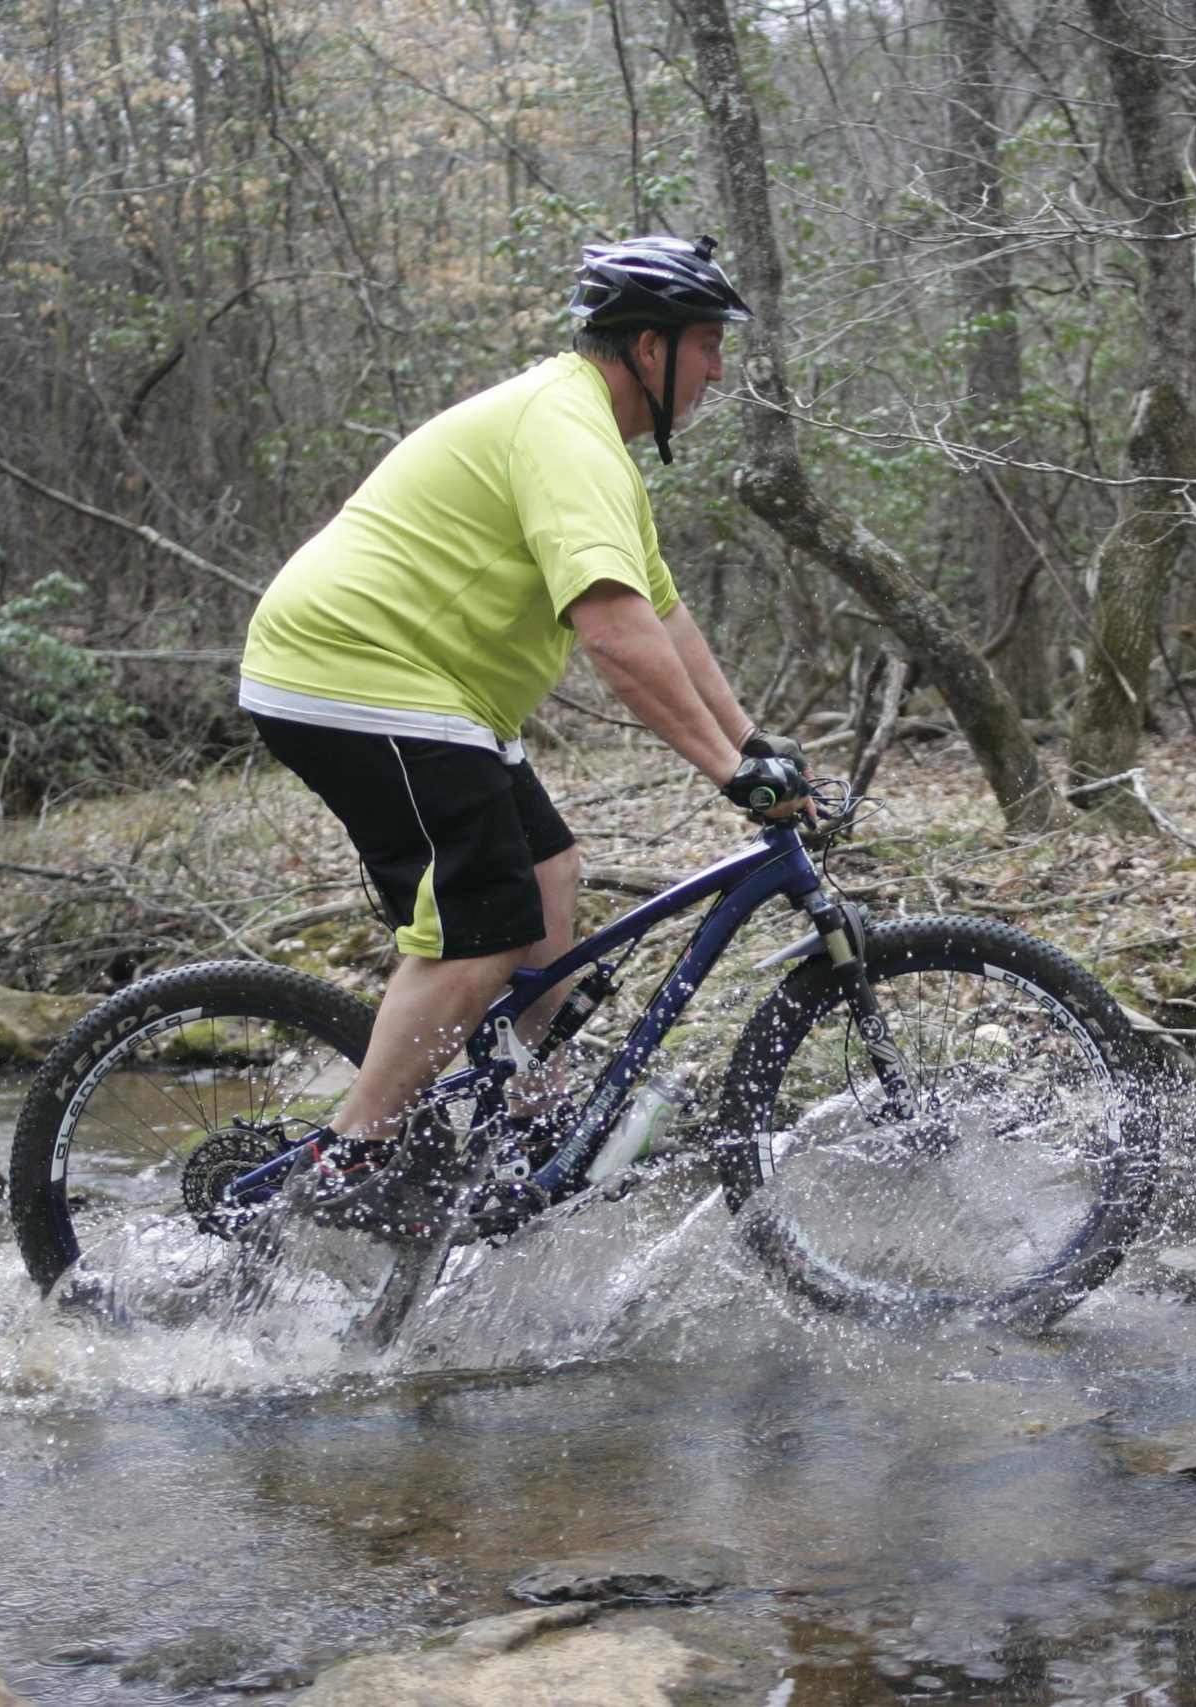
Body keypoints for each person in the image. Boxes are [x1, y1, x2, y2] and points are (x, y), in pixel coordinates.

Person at [238, 233, 808, 1181]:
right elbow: (616, 637)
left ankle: (535, 1117)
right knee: (487, 926)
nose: (718, 367)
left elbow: (662, 613)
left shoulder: (592, 441)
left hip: (424, 689)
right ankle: (354, 1162)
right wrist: (730, 776)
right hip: (351, 672)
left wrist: (751, 742)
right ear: (651, 347)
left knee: (549, 870)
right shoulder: (564, 429)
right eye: (708, 342)